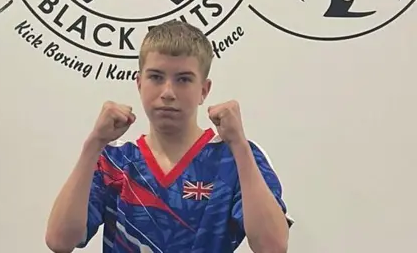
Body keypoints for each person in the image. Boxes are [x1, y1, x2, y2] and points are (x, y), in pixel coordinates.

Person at [45, 20, 294, 253]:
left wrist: (239, 144)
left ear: (204, 90)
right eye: (156, 77)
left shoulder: (235, 157)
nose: (168, 92)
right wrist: (93, 144)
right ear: (139, 83)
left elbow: (272, 245)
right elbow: (60, 241)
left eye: (183, 79)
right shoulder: (113, 158)